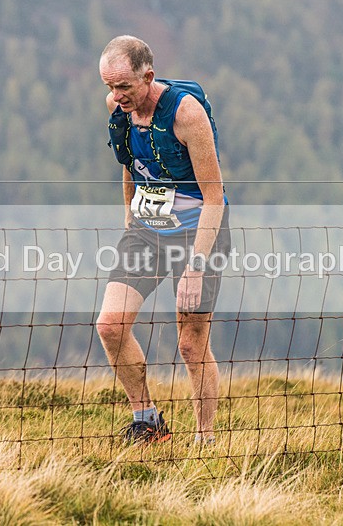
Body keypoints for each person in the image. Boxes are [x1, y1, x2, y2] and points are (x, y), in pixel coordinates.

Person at [96, 35, 231, 446]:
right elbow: (129, 162)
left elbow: (214, 198)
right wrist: (129, 219)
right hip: (146, 230)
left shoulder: (186, 114)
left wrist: (196, 266)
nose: (116, 95)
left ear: (148, 76)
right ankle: (148, 421)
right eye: (109, 86)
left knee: (191, 344)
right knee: (110, 326)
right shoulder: (119, 108)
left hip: (198, 233)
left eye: (124, 86)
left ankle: (205, 439)